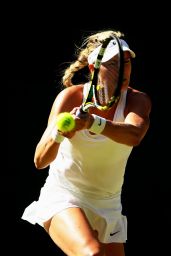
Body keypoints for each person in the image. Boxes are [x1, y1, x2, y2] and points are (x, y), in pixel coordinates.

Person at [21, 30, 151, 256]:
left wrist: (91, 122)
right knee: (92, 253)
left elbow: (134, 135)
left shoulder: (137, 100)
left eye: (126, 62)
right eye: (113, 64)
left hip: (109, 205)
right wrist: (60, 134)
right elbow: (40, 160)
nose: (122, 70)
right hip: (65, 196)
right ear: (93, 68)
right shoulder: (70, 97)